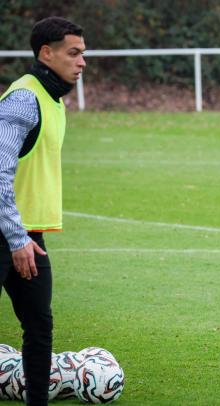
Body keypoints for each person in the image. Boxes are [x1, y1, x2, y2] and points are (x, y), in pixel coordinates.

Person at [0, 17, 85, 405]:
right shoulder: (23, 98)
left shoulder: (53, 99)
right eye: (74, 53)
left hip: (27, 236)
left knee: (39, 326)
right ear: (46, 53)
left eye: (83, 53)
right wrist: (16, 237)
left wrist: (24, 237)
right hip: (11, 235)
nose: (82, 61)